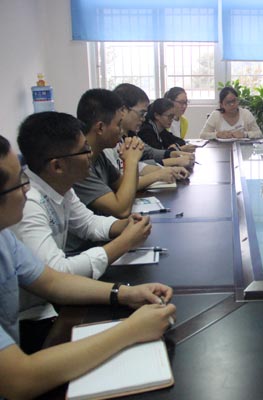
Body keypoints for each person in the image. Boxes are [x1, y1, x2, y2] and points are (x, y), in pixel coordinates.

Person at [0, 134, 176, 399]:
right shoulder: (32, 205)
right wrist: (131, 330)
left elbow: (52, 281)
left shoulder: (4, 237)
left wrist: (124, 293)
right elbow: (20, 379)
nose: (27, 189)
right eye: (18, 182)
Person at [13, 112, 151, 283]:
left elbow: (88, 223)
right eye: (84, 150)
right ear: (57, 166)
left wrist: (124, 225)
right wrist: (125, 242)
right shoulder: (27, 203)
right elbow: (56, 273)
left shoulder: (60, 185)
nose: (90, 154)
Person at [73, 89, 144, 218]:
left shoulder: (99, 155)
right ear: (100, 127)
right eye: (118, 124)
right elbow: (121, 210)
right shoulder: (77, 164)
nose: (121, 131)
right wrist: (131, 161)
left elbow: (125, 186)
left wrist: (133, 155)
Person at [114, 83, 194, 169]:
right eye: (141, 113)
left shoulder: (131, 134)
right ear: (123, 110)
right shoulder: (144, 131)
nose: (143, 119)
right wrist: (172, 161)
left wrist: (171, 154)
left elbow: (148, 152)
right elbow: (127, 169)